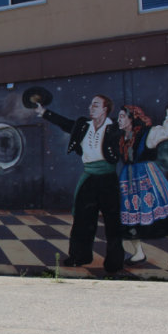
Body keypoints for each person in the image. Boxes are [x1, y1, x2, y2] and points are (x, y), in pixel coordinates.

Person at [35, 96, 124, 273]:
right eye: (91, 104)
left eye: (96, 105)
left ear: (105, 109)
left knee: (112, 221)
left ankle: (114, 262)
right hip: (89, 176)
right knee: (82, 220)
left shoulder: (115, 127)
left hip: (108, 178)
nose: (91, 107)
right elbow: (66, 124)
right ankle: (79, 256)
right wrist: (44, 112)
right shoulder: (84, 125)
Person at [117, 103, 168, 265]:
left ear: (132, 118)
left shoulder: (147, 134)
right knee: (130, 217)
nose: (119, 120)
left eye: (122, 116)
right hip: (128, 179)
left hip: (148, 177)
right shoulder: (123, 137)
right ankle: (139, 253)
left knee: (163, 215)